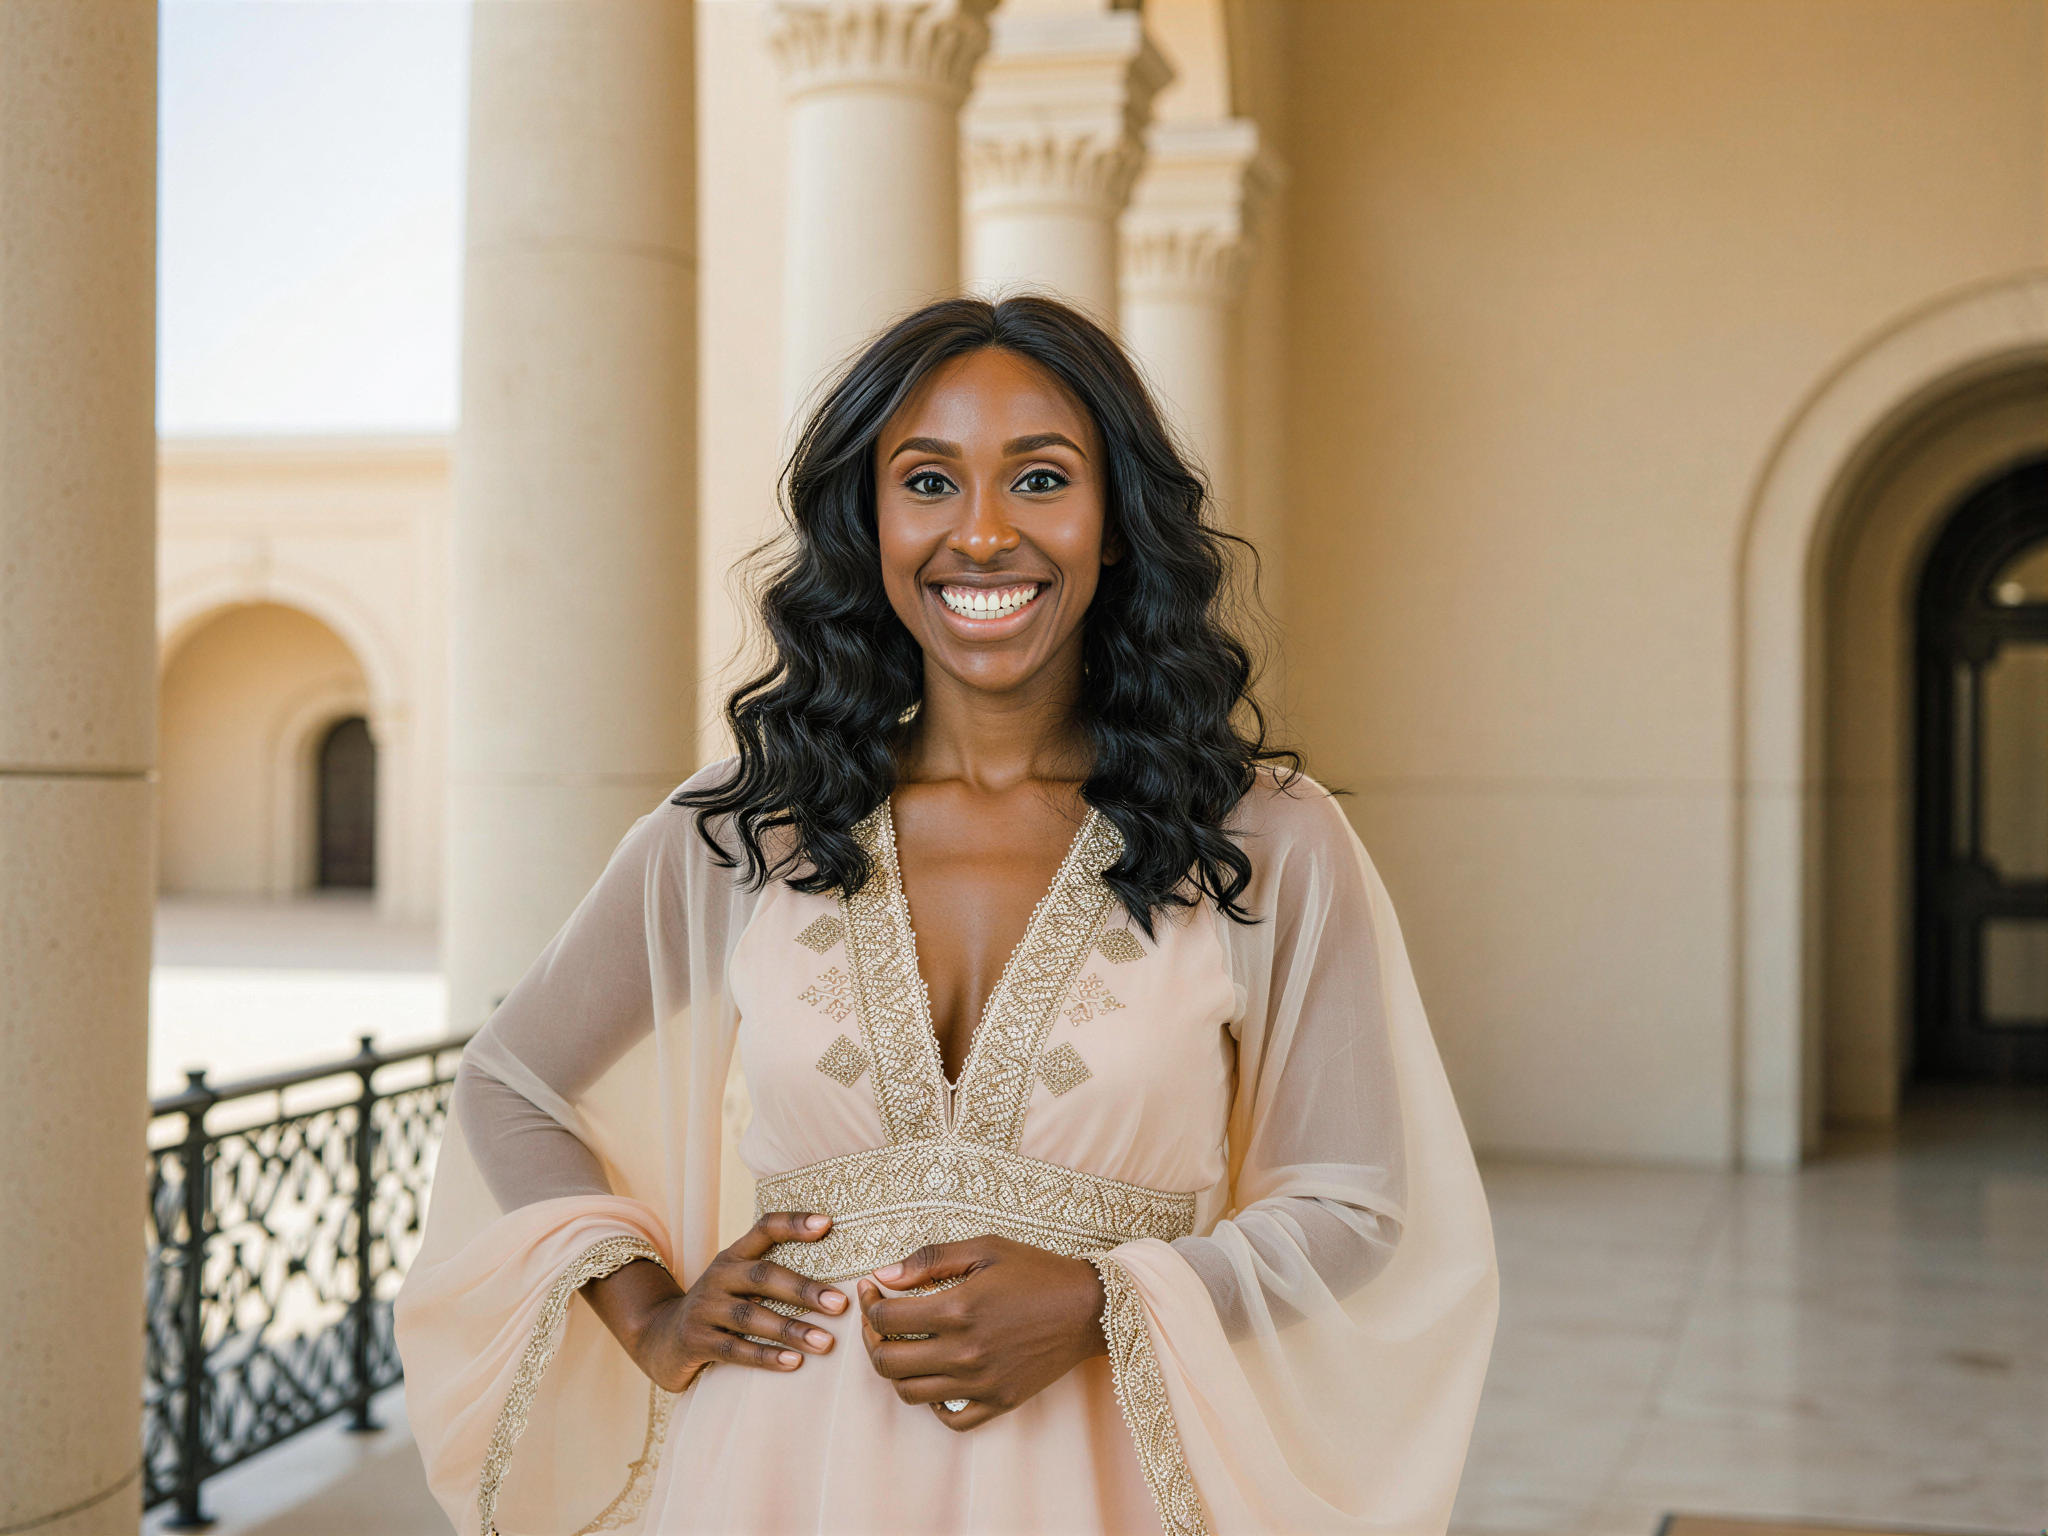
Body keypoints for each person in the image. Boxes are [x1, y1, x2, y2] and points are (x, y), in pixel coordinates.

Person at [395, 295, 1497, 1536]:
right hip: (775, 1477)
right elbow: (510, 1083)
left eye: (1039, 478)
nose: (980, 533)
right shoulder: (749, 826)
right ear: (866, 524)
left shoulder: (1262, 838)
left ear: (1115, 525)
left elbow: (1347, 1203)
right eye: (926, 482)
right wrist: (648, 1312)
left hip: (1107, 1481)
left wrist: (1100, 1303)